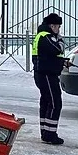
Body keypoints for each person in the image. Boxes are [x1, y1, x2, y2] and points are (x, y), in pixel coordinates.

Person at [31, 13, 71, 145]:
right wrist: (60, 40)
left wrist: (62, 62)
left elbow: (48, 57)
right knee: (55, 103)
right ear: (52, 25)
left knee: (47, 102)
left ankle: (45, 131)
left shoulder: (42, 36)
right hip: (46, 75)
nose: (59, 30)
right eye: (58, 27)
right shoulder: (46, 37)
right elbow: (57, 49)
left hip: (44, 73)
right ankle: (50, 134)